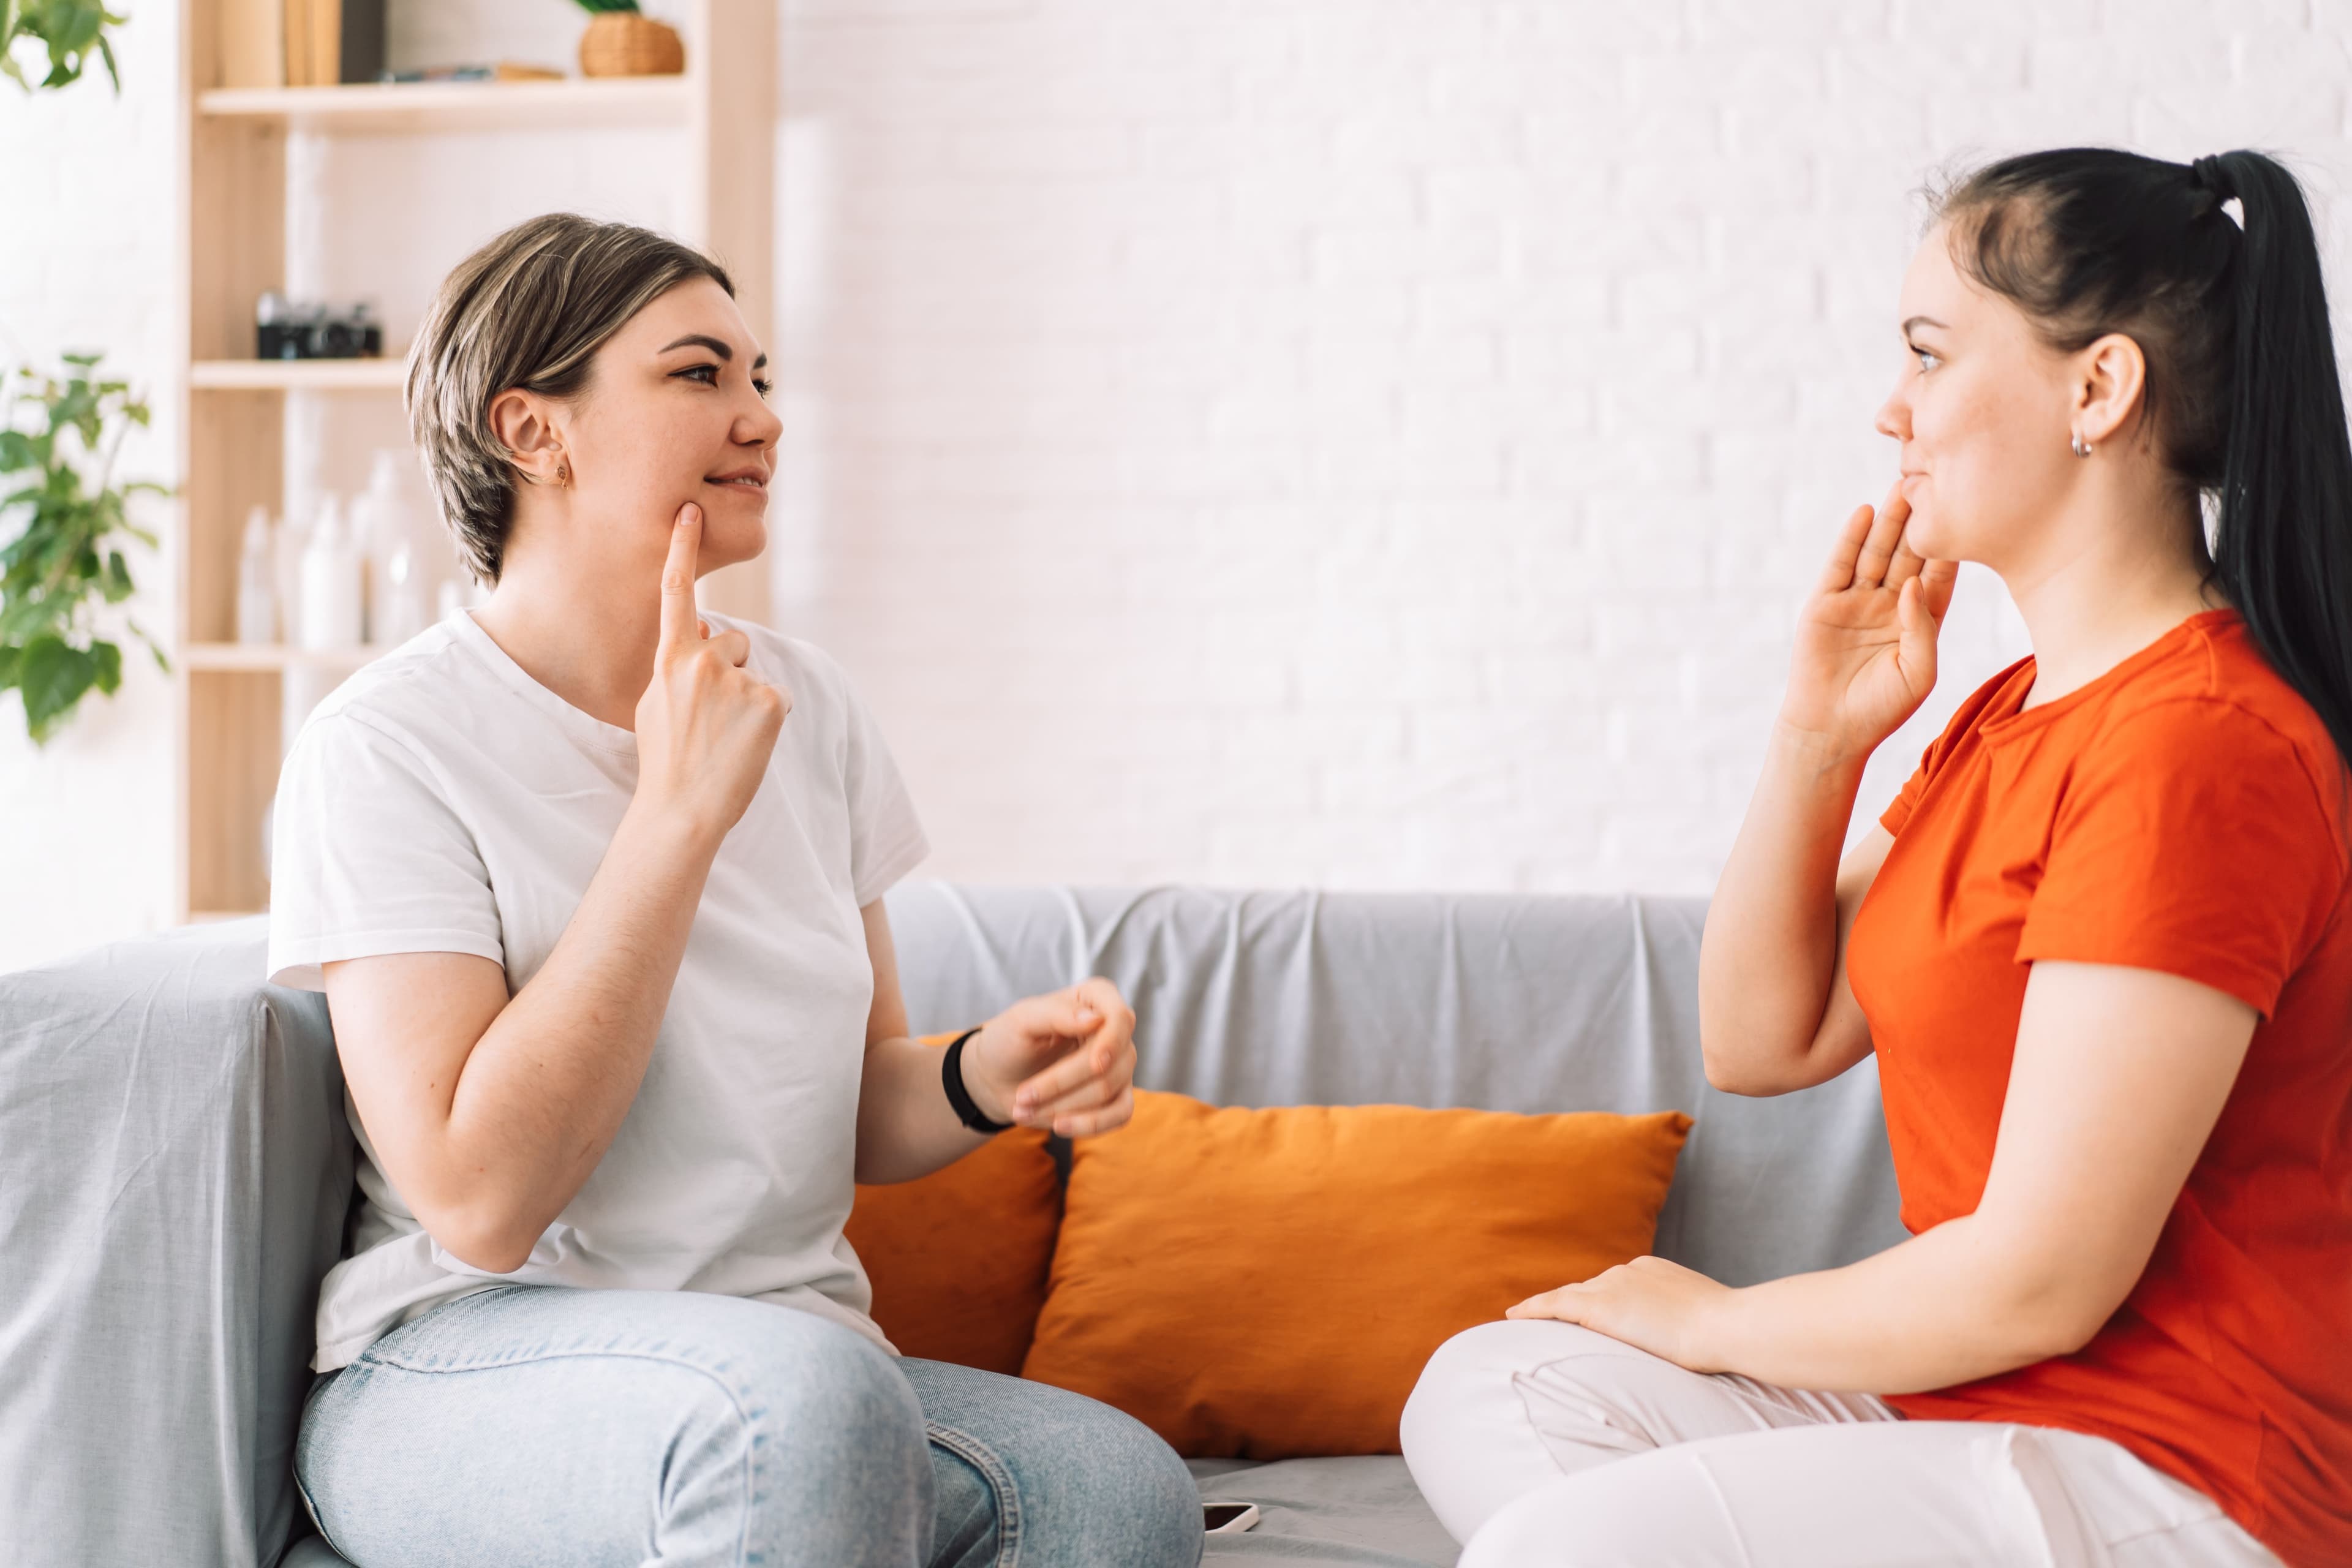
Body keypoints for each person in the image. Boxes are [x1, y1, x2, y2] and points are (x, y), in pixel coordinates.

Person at [1401, 149, 2352, 1567]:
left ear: (2098, 391)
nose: (1889, 407)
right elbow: (1757, 1036)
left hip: (2178, 1473)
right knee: (1494, 1380)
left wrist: (1714, 1317)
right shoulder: (2009, 716)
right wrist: (1818, 738)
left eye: (1928, 351)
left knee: (1567, 1546)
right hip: (1964, 1414)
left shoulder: (2198, 745)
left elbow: (2040, 1279)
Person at [267, 213, 1202, 1568]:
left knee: (1115, 1490)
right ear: (534, 429)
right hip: (472, 1355)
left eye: (761, 378)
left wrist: (984, 1073)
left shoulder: (805, 705)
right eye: (701, 375)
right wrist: (673, 820)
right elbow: (478, 1195)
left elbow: (854, 1097)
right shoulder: (389, 744)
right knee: (800, 1407)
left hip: (790, 1350)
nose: (761, 418)